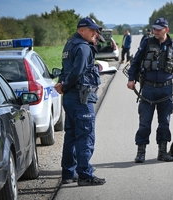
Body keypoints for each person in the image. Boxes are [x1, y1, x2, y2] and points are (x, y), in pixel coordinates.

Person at [126, 17, 173, 163]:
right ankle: (141, 152)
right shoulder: (147, 42)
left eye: (158, 29)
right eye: (154, 29)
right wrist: (131, 79)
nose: (155, 31)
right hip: (148, 89)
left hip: (166, 90)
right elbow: (136, 61)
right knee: (144, 123)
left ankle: (162, 152)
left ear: (166, 30)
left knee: (164, 123)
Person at [54, 17, 106, 186]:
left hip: (70, 98)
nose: (95, 33)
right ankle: (85, 175)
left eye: (96, 30)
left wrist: (63, 85)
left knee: (71, 135)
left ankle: (68, 173)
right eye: (92, 30)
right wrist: (66, 85)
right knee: (85, 136)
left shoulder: (70, 45)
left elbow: (66, 70)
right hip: (81, 98)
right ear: (81, 30)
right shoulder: (83, 47)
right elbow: (77, 72)